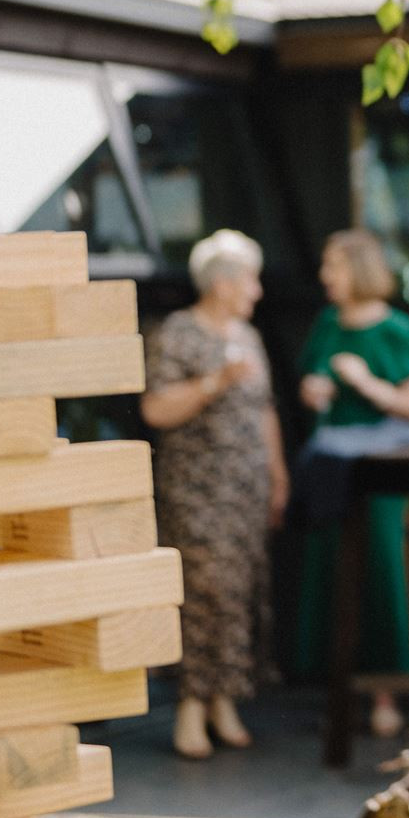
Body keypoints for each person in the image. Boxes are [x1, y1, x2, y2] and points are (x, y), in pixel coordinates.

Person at [140, 229, 289, 760]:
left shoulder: (248, 335)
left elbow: (265, 408)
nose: (256, 289)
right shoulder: (178, 333)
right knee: (204, 592)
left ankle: (224, 698)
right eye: (249, 278)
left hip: (245, 485)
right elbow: (156, 410)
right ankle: (190, 705)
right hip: (197, 489)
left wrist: (278, 474)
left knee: (241, 590)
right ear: (223, 282)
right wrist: (214, 382)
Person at [294, 229, 409, 738]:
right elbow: (310, 383)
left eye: (334, 266)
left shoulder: (396, 328)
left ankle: (386, 692)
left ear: (357, 268)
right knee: (331, 571)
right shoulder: (327, 323)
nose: (326, 276)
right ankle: (336, 691)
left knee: (382, 575)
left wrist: (362, 381)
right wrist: (314, 390)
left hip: (382, 476)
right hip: (334, 471)